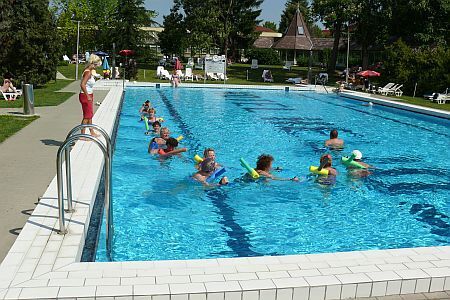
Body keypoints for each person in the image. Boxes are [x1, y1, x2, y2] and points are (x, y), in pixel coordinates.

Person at [79, 54, 102, 138]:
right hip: (85, 96)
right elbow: (82, 84)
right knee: (86, 116)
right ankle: (82, 135)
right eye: (96, 65)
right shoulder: (88, 72)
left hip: (88, 94)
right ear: (92, 63)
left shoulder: (88, 71)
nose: (96, 67)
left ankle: (91, 132)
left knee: (89, 115)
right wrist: (88, 96)